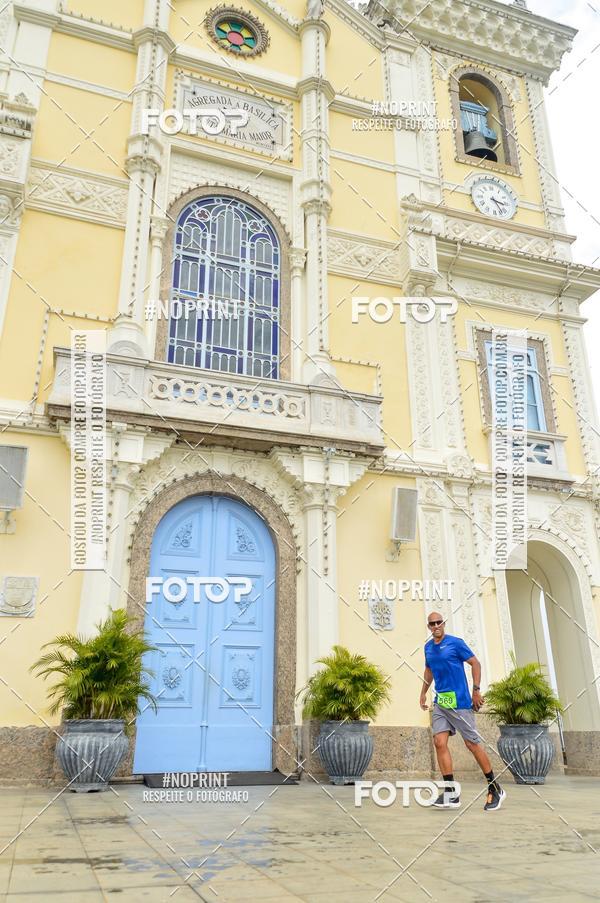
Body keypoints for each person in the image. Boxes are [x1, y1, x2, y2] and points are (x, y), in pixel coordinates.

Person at [420, 612, 506, 812]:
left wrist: (476, 690)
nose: (436, 626)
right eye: (432, 624)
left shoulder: (456, 643)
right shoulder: (427, 648)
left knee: (472, 744)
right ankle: (451, 793)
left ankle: (495, 787)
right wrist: (423, 692)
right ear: (429, 627)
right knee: (439, 742)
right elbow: (428, 670)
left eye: (438, 622)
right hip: (441, 702)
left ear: (443, 623)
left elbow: (475, 663)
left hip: (460, 702)